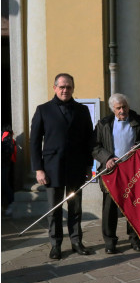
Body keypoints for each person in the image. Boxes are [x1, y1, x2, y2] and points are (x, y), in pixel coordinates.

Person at [30, 73, 94, 260]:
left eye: (69, 87)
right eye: (62, 87)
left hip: (76, 167)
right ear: (55, 88)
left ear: (73, 88)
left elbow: (88, 140)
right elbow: (34, 142)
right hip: (52, 168)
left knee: (75, 208)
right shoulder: (43, 110)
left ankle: (76, 242)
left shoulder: (82, 110)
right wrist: (38, 169)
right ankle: (56, 245)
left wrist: (88, 166)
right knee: (54, 209)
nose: (65, 90)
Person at [93, 93, 140, 253]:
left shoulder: (138, 122)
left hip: (134, 170)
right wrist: (107, 158)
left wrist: (139, 147)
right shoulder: (103, 124)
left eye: (124, 106)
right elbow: (95, 147)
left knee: (134, 205)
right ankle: (110, 242)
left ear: (128, 106)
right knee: (109, 207)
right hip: (112, 170)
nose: (122, 110)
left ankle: (135, 238)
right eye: (118, 108)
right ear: (113, 109)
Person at [2, 125, 16, 217]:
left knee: (4, 184)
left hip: (3, 164)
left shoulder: (6, 137)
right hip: (5, 164)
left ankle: (11, 203)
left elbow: (6, 151)